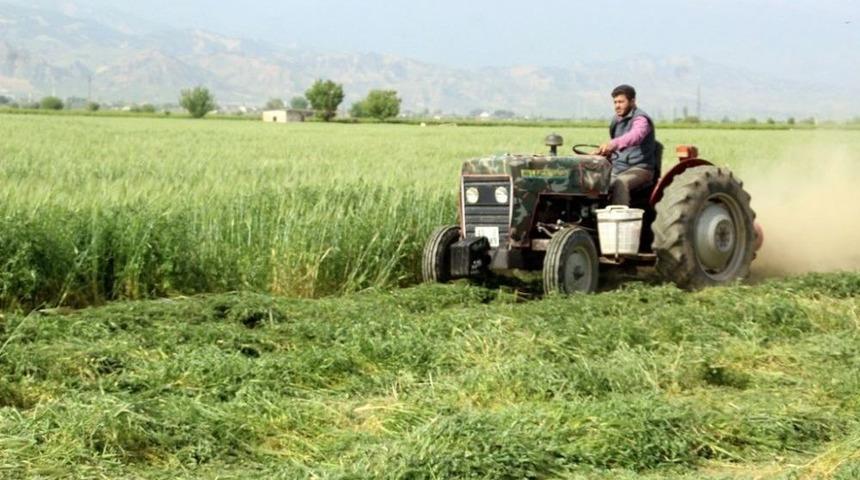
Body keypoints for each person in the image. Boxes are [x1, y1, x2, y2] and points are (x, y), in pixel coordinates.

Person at [595, 84, 658, 206]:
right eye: (615, 102)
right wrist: (602, 152)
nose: (617, 106)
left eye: (621, 102)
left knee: (620, 182)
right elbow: (615, 148)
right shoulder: (616, 120)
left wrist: (614, 143)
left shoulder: (641, 119)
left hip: (640, 168)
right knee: (592, 180)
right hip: (618, 167)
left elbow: (636, 135)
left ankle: (619, 218)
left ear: (632, 101)